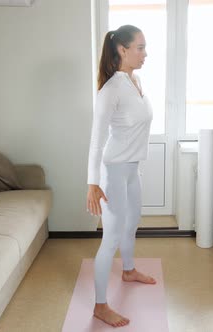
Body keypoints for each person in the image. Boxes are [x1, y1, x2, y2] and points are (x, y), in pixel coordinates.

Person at [86, 25, 157, 328]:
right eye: (139, 47)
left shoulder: (135, 81)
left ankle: (128, 270)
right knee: (111, 237)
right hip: (113, 171)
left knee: (132, 223)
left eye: (144, 47)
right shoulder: (110, 89)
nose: (145, 53)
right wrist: (92, 184)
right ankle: (100, 306)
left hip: (132, 169)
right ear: (122, 50)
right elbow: (96, 140)